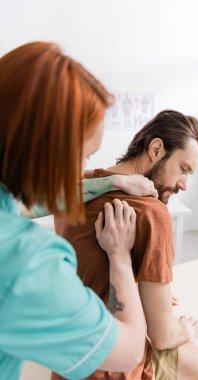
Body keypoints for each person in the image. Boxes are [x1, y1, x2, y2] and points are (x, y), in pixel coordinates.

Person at [0, 41, 159, 380]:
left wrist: (111, 183)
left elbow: (27, 201)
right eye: (83, 157)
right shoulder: (27, 262)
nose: (82, 172)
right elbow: (128, 350)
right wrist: (119, 255)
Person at [54, 110, 198, 380]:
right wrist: (184, 331)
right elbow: (163, 336)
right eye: (183, 169)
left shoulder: (79, 187)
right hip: (114, 368)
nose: (184, 185)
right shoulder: (152, 213)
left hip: (67, 360)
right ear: (156, 149)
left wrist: (147, 293)